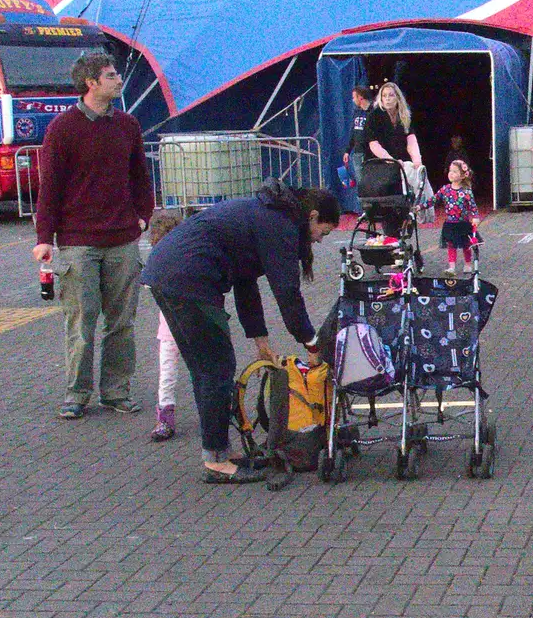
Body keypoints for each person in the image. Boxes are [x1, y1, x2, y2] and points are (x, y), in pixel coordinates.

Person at [141, 183, 340, 484]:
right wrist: (311, 342)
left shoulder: (268, 214)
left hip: (171, 273)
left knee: (207, 370)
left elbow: (246, 281)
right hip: (188, 278)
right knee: (216, 370)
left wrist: (260, 340)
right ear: (311, 216)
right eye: (322, 232)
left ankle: (220, 450)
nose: (320, 240)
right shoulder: (280, 225)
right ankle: (215, 461)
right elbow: (287, 292)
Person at [34, 52, 155, 420]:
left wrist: (143, 217)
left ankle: (116, 391)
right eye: (111, 75)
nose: (119, 79)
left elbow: (140, 175)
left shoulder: (128, 125)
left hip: (122, 238)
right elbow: (49, 186)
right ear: (91, 83)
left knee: (122, 322)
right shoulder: (62, 128)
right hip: (77, 241)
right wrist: (44, 237)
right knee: (81, 323)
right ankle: (77, 394)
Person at [147, 210, 185, 442]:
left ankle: (166, 417)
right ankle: (165, 416)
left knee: (200, 371)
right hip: (170, 328)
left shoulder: (188, 259)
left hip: (187, 326)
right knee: (167, 373)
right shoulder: (157, 263)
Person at [436, 159, 479, 273]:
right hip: (450, 223)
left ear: (462, 175)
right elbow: (434, 199)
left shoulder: (466, 191)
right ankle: (452, 267)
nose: (451, 173)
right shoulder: (445, 189)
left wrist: (475, 216)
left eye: (455, 171)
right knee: (451, 245)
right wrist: (421, 206)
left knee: (466, 245)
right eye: (450, 170)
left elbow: (472, 206)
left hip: (463, 223)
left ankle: (468, 264)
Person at [346, 85, 373, 184]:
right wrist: (347, 151)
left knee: (370, 180)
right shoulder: (357, 113)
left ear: (360, 97)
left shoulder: (373, 112)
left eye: (354, 97)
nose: (353, 100)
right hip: (358, 152)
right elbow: (354, 133)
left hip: (370, 153)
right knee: (360, 182)